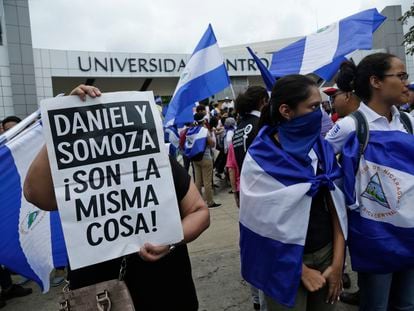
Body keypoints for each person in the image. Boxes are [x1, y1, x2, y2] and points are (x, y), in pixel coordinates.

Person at [23, 84, 210, 310]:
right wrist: (64, 118)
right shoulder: (74, 171)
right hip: (100, 296)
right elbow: (35, 194)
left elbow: (199, 212)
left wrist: (172, 239)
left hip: (166, 290)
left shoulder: (156, 161)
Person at [240, 75, 346, 311]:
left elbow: (337, 206)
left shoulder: (322, 148)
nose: (321, 113)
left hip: (327, 254)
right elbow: (258, 226)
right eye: (314, 107)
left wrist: (338, 262)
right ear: (286, 111)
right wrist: (300, 270)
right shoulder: (260, 160)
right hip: (281, 263)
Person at [325, 53, 414, 311]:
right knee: (376, 305)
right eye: (400, 76)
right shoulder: (350, 126)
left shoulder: (408, 122)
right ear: (376, 81)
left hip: (409, 234)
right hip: (376, 239)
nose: (406, 82)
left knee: (408, 305)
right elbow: (320, 164)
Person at [187, 112, 221, 208]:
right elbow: (212, 144)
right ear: (203, 120)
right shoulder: (204, 130)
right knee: (207, 181)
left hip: (195, 158)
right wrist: (212, 140)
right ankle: (210, 202)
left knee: (198, 181)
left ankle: (198, 202)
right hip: (205, 158)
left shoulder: (191, 130)